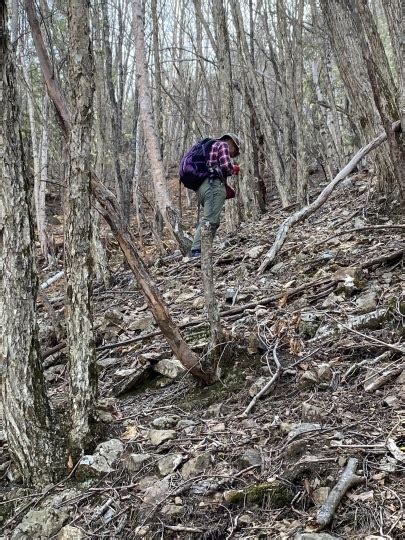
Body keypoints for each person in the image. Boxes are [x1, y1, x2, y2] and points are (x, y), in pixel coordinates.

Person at [190, 133, 241, 257]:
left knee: (213, 219)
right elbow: (226, 167)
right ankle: (197, 251)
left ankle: (203, 250)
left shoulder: (210, 147)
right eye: (234, 150)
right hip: (213, 186)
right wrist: (235, 169)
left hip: (203, 187)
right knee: (209, 220)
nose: (232, 154)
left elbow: (216, 167)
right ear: (231, 143)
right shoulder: (222, 144)